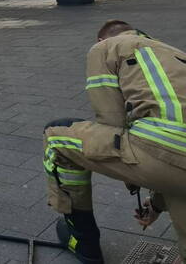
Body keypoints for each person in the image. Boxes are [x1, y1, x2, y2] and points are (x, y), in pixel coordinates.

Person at [43, 19, 186, 263]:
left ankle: (82, 239)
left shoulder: (106, 48)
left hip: (168, 154)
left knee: (56, 137)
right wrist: (155, 206)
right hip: (175, 165)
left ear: (102, 39)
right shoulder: (176, 54)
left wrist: (131, 178)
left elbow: (111, 122)